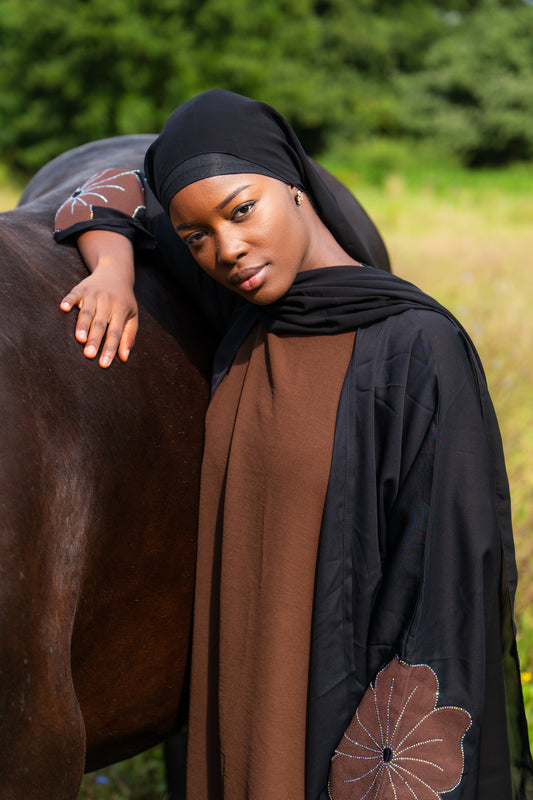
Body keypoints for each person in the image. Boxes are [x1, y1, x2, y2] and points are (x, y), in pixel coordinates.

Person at [53, 89, 533, 800]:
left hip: (351, 724)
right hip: (242, 708)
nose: (228, 249)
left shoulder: (414, 347)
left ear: (295, 184)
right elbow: (91, 194)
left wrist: (375, 767)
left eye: (242, 209)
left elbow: (447, 585)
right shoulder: (248, 314)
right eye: (195, 238)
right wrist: (114, 269)